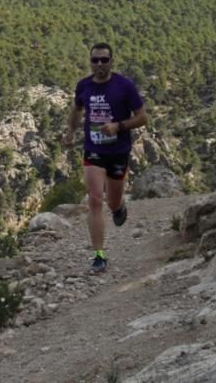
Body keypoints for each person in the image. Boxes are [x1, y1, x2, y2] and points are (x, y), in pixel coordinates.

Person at [62, 42, 147, 274]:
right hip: (94, 150)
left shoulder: (124, 86)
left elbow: (142, 118)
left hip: (118, 151)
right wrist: (70, 130)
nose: (99, 64)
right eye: (95, 60)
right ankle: (99, 255)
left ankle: (119, 206)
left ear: (112, 61)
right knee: (95, 200)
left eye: (104, 60)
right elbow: (76, 110)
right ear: (90, 62)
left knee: (111, 202)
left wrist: (119, 126)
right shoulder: (84, 86)